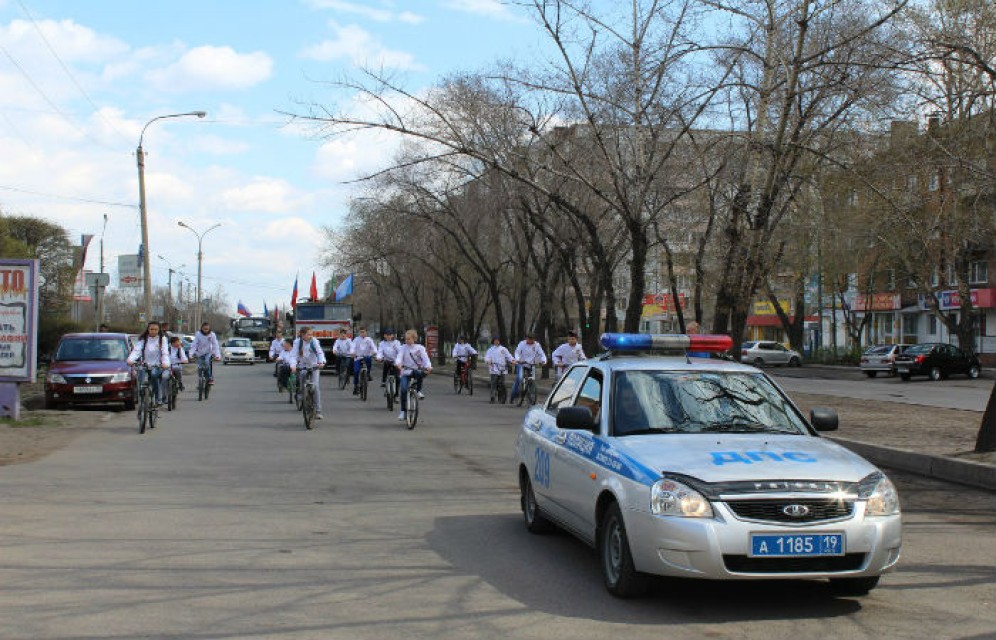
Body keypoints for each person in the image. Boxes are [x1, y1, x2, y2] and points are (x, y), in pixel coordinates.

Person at [126, 320, 171, 406]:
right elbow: (137, 350)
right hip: (145, 364)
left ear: (159, 330)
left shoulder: (162, 339)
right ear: (148, 329)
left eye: (155, 329)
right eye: (151, 329)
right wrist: (130, 359)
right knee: (140, 377)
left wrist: (165, 363)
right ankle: (142, 398)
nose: (153, 331)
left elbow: (165, 352)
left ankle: (158, 398)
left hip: (157, 365)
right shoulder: (144, 339)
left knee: (154, 375)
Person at [395, 329, 432, 421]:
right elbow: (399, 357)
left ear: (414, 339)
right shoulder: (403, 347)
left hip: (417, 371)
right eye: (406, 339)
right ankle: (403, 411)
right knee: (403, 390)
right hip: (406, 372)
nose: (407, 341)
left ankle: (418, 391)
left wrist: (428, 367)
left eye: (409, 339)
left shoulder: (420, 348)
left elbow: (425, 358)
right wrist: (398, 364)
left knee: (418, 373)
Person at [292, 327, 326, 419]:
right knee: (302, 378)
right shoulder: (297, 342)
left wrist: (321, 362)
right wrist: (293, 365)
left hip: (314, 365)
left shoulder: (314, 341)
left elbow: (319, 353)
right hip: (302, 365)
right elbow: (293, 355)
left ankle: (318, 410)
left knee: (315, 386)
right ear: (302, 335)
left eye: (311, 334)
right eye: (308, 334)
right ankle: (301, 394)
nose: (311, 336)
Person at [512, 332, 547, 401]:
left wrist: (544, 361)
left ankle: (531, 395)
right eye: (529, 339)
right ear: (526, 338)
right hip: (522, 363)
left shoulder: (537, 345)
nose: (531, 340)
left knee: (531, 379)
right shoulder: (522, 344)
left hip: (531, 364)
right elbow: (517, 352)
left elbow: (542, 354)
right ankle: (514, 393)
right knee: (519, 378)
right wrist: (518, 359)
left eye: (532, 339)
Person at [484, 336, 515, 404]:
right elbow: (487, 357)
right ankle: (492, 397)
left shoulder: (503, 349)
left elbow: (508, 356)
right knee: (493, 383)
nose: (497, 341)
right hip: (494, 368)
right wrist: (488, 361)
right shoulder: (490, 350)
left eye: (498, 340)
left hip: (502, 368)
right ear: (493, 341)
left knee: (502, 383)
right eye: (495, 340)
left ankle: (502, 396)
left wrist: (512, 360)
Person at [350, 327, 377, 395]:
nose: (362, 333)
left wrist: (374, 352)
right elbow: (352, 347)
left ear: (366, 332)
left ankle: (368, 374)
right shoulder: (356, 339)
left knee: (369, 360)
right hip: (358, 357)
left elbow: (374, 347)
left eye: (364, 332)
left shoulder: (369, 340)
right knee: (356, 371)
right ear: (359, 333)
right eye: (361, 332)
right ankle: (356, 386)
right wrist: (352, 352)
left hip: (367, 356)